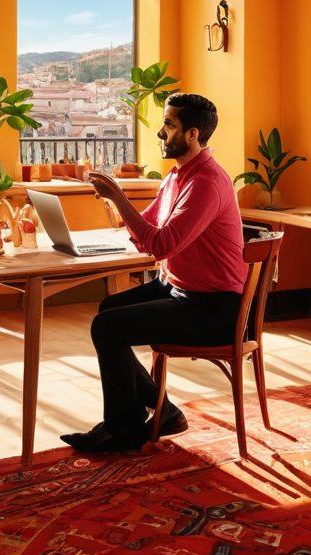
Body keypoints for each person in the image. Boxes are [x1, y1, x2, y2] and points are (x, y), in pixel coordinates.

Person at [62, 93, 247, 453]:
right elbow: (147, 229)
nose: (161, 133)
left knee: (107, 327)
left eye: (169, 125)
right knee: (107, 311)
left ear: (192, 134)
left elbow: (161, 245)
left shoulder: (206, 182)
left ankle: (123, 428)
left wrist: (119, 198)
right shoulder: (178, 177)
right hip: (179, 289)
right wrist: (116, 207)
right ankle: (164, 412)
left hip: (214, 307)